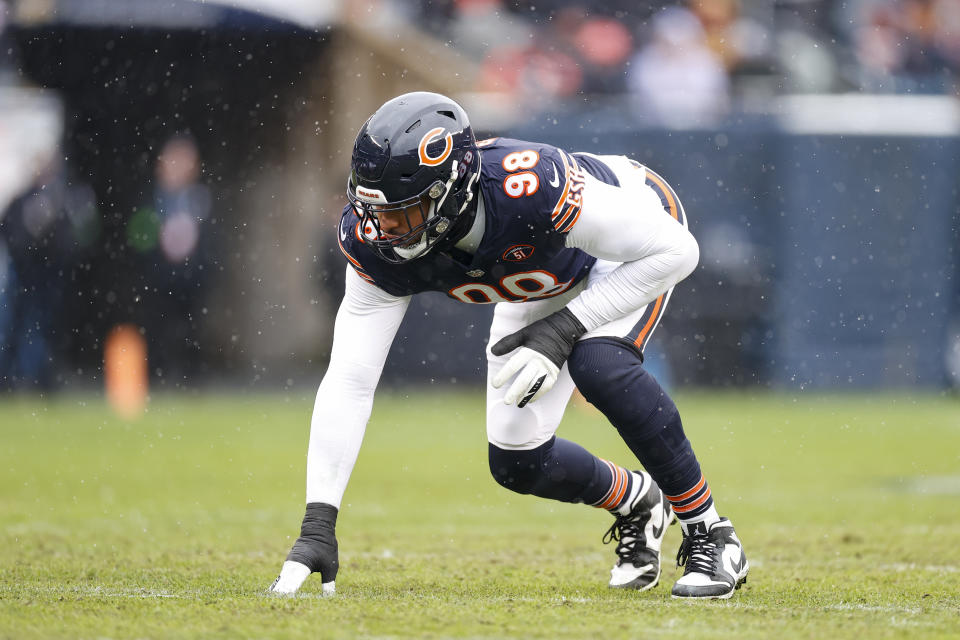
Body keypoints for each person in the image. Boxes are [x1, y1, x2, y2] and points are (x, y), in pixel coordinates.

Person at [270, 92, 748, 599]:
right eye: (374, 208)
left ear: (451, 192)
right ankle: (638, 502)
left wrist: (565, 329)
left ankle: (712, 534)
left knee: (599, 363)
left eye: (404, 211)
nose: (383, 228)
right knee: (517, 461)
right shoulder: (377, 241)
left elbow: (676, 250)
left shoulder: (531, 188)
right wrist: (318, 522)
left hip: (628, 247)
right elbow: (350, 379)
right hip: (542, 279)